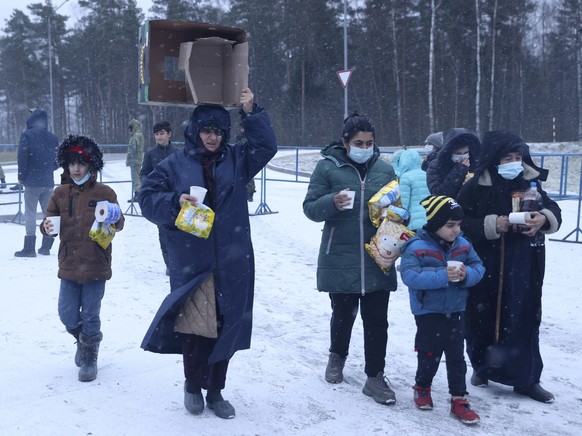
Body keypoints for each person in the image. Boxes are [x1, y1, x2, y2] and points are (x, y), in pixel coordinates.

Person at [139, 88, 277, 419]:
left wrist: (251, 111)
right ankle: (191, 385)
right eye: (206, 130)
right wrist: (175, 203)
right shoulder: (174, 164)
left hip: (233, 257)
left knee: (227, 324)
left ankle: (215, 390)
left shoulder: (237, 159)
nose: (212, 137)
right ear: (194, 131)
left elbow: (266, 147)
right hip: (192, 259)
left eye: (217, 131)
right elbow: (147, 198)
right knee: (195, 327)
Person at [456, 130, 561, 403]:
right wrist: (493, 224)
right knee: (482, 320)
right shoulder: (476, 186)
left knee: (522, 318)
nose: (514, 162)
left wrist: (543, 218)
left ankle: (526, 379)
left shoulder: (530, 182)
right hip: (485, 264)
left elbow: (552, 209)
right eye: (507, 157)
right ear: (493, 160)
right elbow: (460, 222)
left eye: (518, 156)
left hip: (523, 264)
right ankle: (482, 367)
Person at [303, 112, 399, 406]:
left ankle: (375, 376)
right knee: (343, 315)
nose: (365, 147)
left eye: (369, 143)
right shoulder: (327, 168)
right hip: (340, 254)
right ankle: (337, 356)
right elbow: (309, 208)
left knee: (377, 321)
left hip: (376, 257)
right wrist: (331, 202)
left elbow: (397, 210)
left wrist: (394, 222)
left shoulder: (384, 171)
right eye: (359, 142)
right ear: (345, 143)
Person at [40, 134, 125, 382]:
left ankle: (90, 357)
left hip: (96, 264)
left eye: (82, 163)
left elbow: (119, 224)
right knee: (66, 313)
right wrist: (45, 227)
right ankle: (82, 339)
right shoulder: (59, 193)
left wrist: (113, 216)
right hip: (68, 264)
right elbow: (48, 222)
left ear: (91, 165)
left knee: (90, 313)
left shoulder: (105, 192)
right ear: (66, 165)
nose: (76, 168)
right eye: (72, 163)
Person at [399, 195, 484, 425]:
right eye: (450, 225)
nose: (456, 230)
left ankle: (459, 399)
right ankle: (422, 386)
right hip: (428, 311)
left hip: (456, 309)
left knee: (457, 356)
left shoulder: (464, 245)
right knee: (429, 353)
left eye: (458, 225)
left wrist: (467, 275)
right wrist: (441, 276)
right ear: (436, 224)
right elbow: (409, 275)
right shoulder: (416, 246)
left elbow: (478, 266)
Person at [14, 109, 59, 257]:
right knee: (48, 214)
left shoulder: (27, 135)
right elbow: (58, 159)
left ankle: (29, 248)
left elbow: (22, 156)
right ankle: (46, 247)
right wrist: (48, 169)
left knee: (30, 213)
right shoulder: (52, 137)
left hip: (32, 181)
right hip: (48, 181)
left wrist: (22, 176)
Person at [139, 121, 178, 275]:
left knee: (180, 231)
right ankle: (169, 264)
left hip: (177, 198)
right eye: (156, 134)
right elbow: (143, 173)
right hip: (159, 200)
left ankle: (180, 261)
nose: (159, 137)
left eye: (162, 133)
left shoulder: (178, 153)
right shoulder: (150, 154)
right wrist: (150, 184)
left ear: (169, 134)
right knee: (163, 232)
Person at [426, 128, 480, 198]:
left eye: (466, 153)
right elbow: (438, 194)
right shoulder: (436, 166)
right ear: (450, 153)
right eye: (458, 153)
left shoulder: (475, 164)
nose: (462, 157)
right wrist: (459, 171)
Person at [391, 148, 430, 232]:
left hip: (413, 221)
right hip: (428, 218)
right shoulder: (425, 174)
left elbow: (404, 202)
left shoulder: (405, 176)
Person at [236, 123, 256, 202]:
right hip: (242, 158)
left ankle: (250, 194)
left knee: (249, 178)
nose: (242, 130)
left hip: (248, 158)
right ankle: (246, 193)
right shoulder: (240, 136)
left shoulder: (249, 137)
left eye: (243, 128)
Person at [126, 118, 144, 203]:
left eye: (131, 128)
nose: (130, 130)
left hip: (134, 159)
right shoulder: (140, 135)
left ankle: (137, 194)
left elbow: (132, 148)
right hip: (138, 159)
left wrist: (129, 157)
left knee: (135, 177)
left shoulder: (135, 136)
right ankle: (139, 193)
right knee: (137, 176)